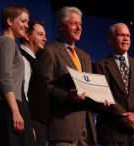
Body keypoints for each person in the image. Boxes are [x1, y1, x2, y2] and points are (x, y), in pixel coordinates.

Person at [38, 6, 97, 146]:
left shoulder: (85, 56)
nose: (78, 28)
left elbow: (88, 87)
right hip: (63, 127)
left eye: (80, 24)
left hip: (86, 130)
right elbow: (43, 86)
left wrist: (100, 100)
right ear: (61, 27)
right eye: (74, 23)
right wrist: (66, 95)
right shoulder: (50, 51)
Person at [93, 23, 134, 146]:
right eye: (121, 35)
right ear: (110, 39)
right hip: (113, 132)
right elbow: (104, 95)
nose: (126, 38)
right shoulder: (99, 66)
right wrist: (126, 118)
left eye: (128, 36)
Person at [0, 5, 35, 146]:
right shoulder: (6, 42)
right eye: (23, 21)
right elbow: (4, 78)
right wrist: (15, 111)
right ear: (10, 21)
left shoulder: (11, 44)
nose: (27, 26)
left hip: (15, 105)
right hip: (9, 106)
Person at [19, 20, 49, 146]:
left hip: (38, 125)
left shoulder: (34, 60)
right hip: (30, 124)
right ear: (27, 35)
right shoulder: (22, 57)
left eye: (45, 35)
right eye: (40, 34)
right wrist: (28, 125)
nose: (45, 39)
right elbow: (21, 93)